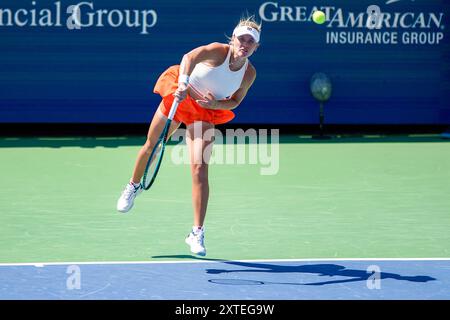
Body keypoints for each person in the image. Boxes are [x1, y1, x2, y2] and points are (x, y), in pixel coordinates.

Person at [117, 16, 261, 256]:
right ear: (233, 39)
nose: (245, 44)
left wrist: (215, 103)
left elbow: (235, 101)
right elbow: (189, 58)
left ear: (256, 47)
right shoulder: (218, 51)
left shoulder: (249, 73)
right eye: (242, 39)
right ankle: (133, 186)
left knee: (199, 169)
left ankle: (196, 232)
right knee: (152, 145)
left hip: (206, 111)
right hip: (182, 94)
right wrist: (183, 83)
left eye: (251, 42)